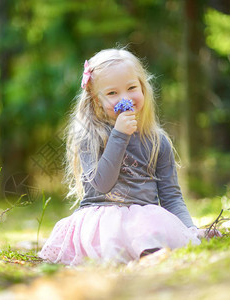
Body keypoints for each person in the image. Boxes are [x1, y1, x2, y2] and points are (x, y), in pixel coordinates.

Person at [39, 48, 220, 266]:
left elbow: (171, 195)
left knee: (148, 224)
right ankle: (126, 259)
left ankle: (150, 257)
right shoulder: (89, 136)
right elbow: (102, 184)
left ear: (143, 88)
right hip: (101, 219)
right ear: (96, 100)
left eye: (132, 88)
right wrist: (119, 135)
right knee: (112, 236)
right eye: (112, 93)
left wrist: (189, 229)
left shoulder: (157, 141)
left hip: (144, 216)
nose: (125, 98)